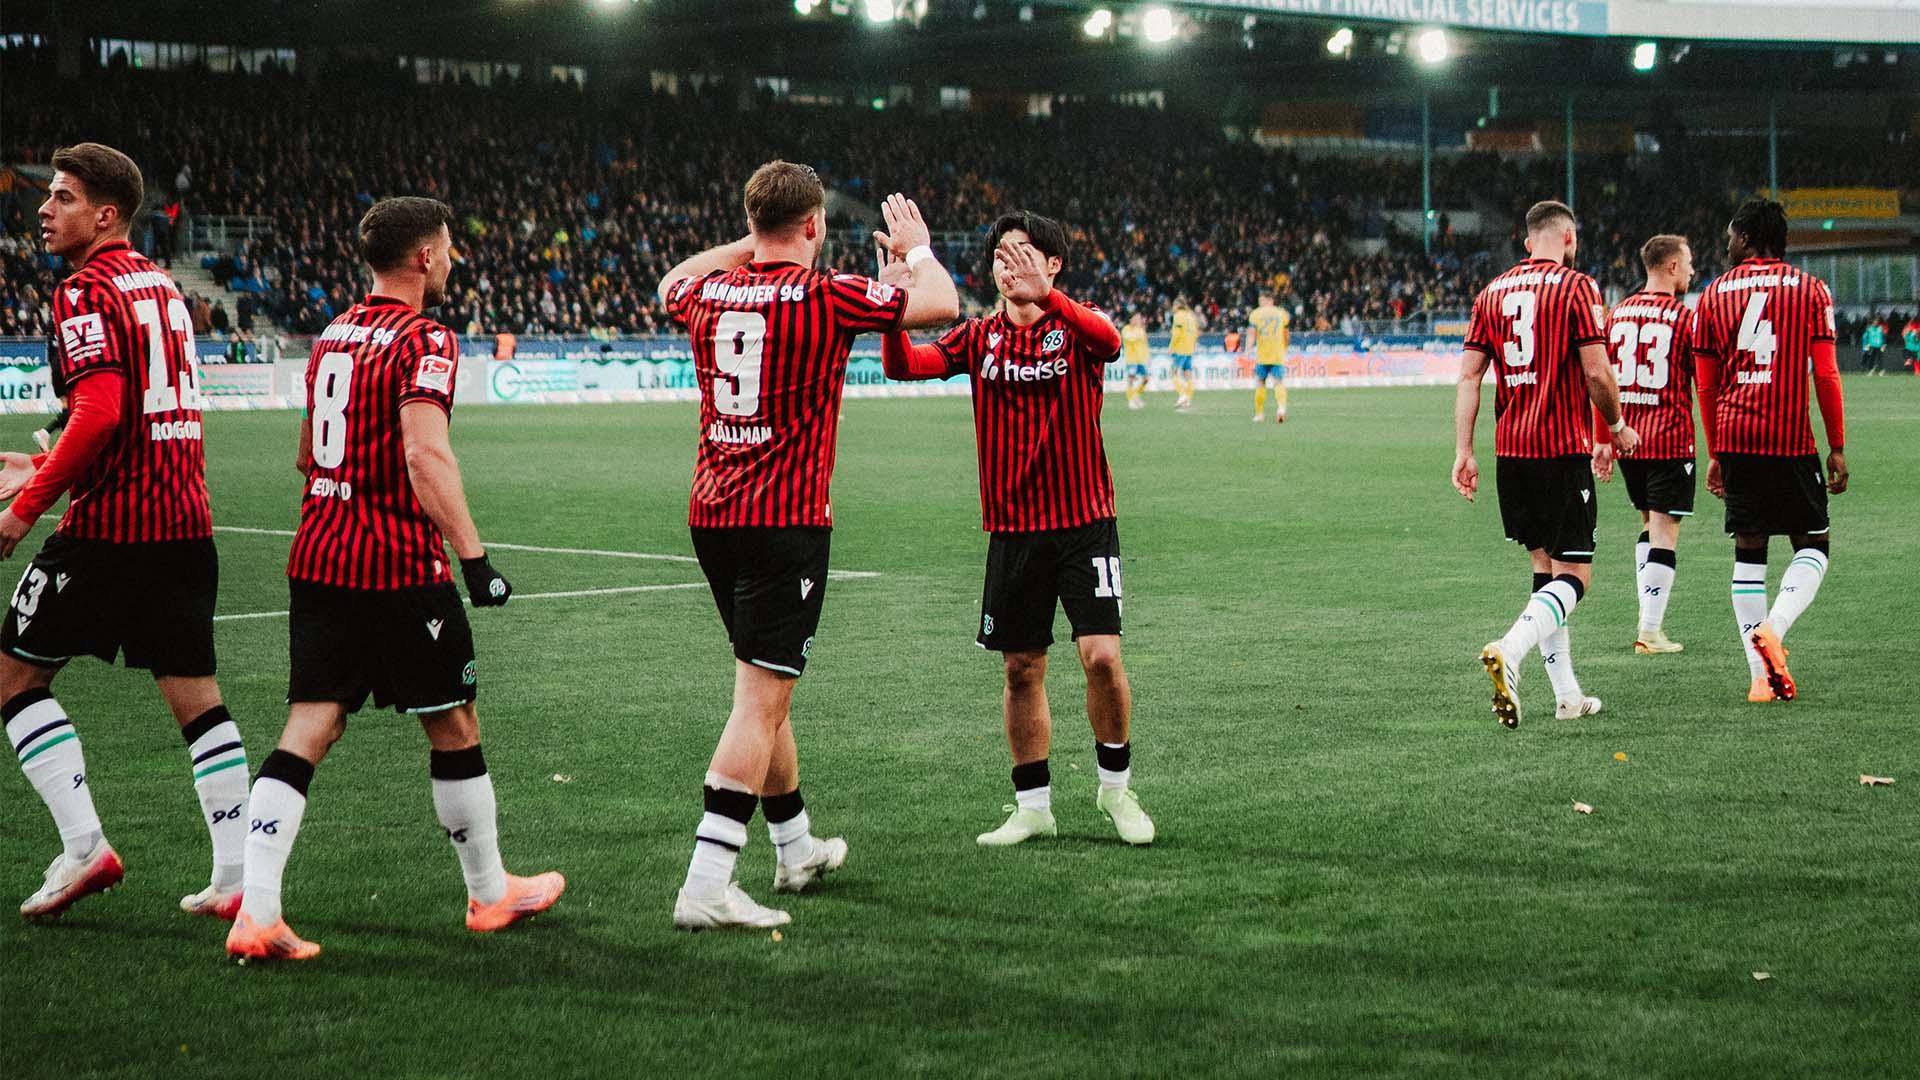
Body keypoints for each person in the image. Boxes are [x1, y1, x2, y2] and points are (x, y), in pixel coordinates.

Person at [226, 196, 562, 961]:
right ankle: (488, 894)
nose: (452, 261)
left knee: (309, 726)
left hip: (317, 557)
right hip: (397, 567)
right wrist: (473, 560)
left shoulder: (334, 334)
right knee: (453, 723)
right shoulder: (427, 339)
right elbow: (424, 455)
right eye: (447, 249)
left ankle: (259, 910)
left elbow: (309, 454)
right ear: (423, 258)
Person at [655, 165, 959, 931]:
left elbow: (672, 281)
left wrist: (754, 239)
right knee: (759, 702)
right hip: (784, 521)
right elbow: (942, 305)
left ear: (755, 223)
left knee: (767, 687)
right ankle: (706, 885)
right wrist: (916, 253)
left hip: (713, 516)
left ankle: (794, 851)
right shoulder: (825, 296)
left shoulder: (710, 293)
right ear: (817, 225)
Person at [0, 142, 250, 920]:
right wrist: (45, 450)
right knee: (197, 700)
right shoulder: (162, 286)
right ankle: (237, 874)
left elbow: (105, 412)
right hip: (184, 523)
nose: (45, 209)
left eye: (65, 198)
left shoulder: (84, 290)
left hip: (111, 530)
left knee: (14, 679)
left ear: (105, 215)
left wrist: (23, 507)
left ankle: (84, 849)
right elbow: (125, 403)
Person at [879, 211, 1153, 848]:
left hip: (1085, 522)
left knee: (1103, 658)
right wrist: (892, 309)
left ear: (1053, 265)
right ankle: (1033, 806)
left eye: (1024, 252)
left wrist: (1048, 298)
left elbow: (1111, 341)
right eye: (1001, 254)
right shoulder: (977, 338)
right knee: (1021, 669)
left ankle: (1116, 789)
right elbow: (904, 367)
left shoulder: (1075, 325)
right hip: (1013, 531)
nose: (1010, 263)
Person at [1452, 200, 1639, 728]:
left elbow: (1469, 378)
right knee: (1575, 576)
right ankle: (1510, 649)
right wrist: (1618, 426)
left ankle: (1567, 696)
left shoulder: (1492, 292)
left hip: (1511, 453)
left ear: (1529, 240)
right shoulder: (1577, 287)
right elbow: (1598, 374)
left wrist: (1464, 451)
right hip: (1559, 449)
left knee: (1545, 570)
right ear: (1570, 238)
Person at [1693, 197, 1847, 704]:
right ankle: (1774, 629)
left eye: (1731, 234)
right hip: (1790, 439)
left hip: (1736, 437)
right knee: (1813, 545)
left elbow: (1708, 388)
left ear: (1747, 236)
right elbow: (1824, 373)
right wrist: (1837, 446)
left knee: (1749, 552)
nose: (1726, 242)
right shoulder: (1810, 289)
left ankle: (1759, 679)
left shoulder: (1712, 295)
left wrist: (1715, 452)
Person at [1591, 234, 1697, 655]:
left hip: (1628, 439)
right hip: (1670, 439)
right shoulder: (1685, 319)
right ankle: (1650, 631)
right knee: (1665, 533)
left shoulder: (1616, 315)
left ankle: (1647, 622)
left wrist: (1603, 440)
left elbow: (1597, 379)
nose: (1692, 271)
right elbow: (1702, 381)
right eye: (1687, 263)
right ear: (1670, 267)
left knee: (1648, 526)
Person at [1246, 291, 1291, 423]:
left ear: (1269, 300)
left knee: (1260, 382)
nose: (1260, 304)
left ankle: (1259, 414)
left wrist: (1247, 349)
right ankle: (1281, 408)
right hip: (1278, 354)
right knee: (1278, 382)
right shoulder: (1282, 313)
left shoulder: (1255, 314)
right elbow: (1286, 334)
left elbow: (1252, 334)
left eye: (1261, 301)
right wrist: (1285, 348)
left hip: (1263, 355)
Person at [1168, 300, 1199, 410]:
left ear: (1177, 306)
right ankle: (1188, 400)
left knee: (1173, 372)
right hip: (1189, 349)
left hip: (1180, 348)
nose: (1172, 307)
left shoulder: (1178, 316)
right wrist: (1193, 346)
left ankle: (1183, 395)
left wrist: (1171, 347)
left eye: (1173, 305)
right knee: (1187, 375)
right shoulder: (1190, 316)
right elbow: (1196, 333)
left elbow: (1177, 333)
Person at [1121, 312, 1150, 410]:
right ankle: (1130, 400)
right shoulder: (1126, 329)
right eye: (1136, 318)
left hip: (1141, 359)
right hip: (1131, 359)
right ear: (1130, 319)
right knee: (1131, 379)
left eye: (1138, 318)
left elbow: (1144, 343)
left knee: (1146, 379)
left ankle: (1136, 396)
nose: (1138, 320)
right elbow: (1131, 339)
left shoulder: (1140, 330)